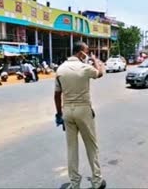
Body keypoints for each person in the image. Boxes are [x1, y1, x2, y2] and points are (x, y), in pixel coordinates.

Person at [54, 42, 106, 189]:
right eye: (87, 51)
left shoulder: (60, 69)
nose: (87, 54)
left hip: (67, 112)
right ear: (81, 52)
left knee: (71, 149)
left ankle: (74, 184)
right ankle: (97, 181)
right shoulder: (85, 67)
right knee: (91, 146)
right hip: (83, 110)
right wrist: (95, 60)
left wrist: (59, 114)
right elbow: (100, 73)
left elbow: (57, 95)